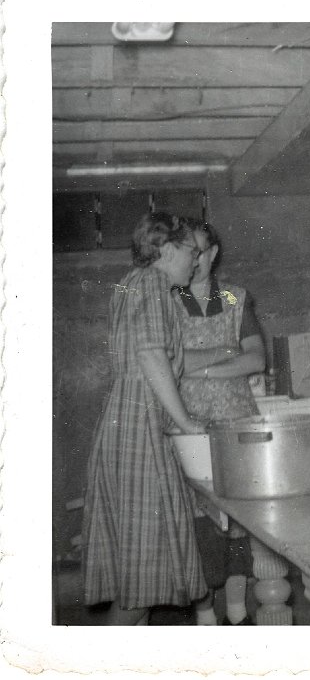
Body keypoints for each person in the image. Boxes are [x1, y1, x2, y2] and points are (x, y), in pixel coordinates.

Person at [82, 213, 208, 626]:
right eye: (193, 251)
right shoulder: (153, 284)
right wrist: (188, 425)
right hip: (139, 431)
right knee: (143, 577)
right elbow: (152, 356)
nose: (198, 258)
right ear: (168, 249)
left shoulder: (133, 283)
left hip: (130, 423)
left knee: (145, 575)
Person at [176, 218, 266, 626]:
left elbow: (255, 359)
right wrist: (222, 352)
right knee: (196, 520)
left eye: (202, 252)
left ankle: (237, 608)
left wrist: (196, 369)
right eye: (187, 253)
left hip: (235, 418)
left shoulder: (234, 297)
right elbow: (166, 364)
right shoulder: (165, 300)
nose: (196, 261)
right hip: (185, 423)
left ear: (214, 253)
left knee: (240, 518)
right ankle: (204, 613)